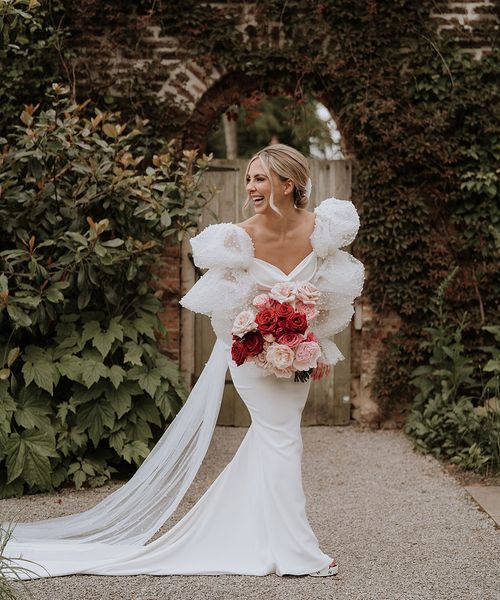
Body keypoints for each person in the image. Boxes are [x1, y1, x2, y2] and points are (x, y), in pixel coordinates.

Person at [4, 143, 364, 579]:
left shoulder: (322, 230)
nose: (250, 186)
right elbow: (228, 309)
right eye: (249, 178)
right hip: (250, 356)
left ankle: (259, 535)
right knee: (282, 439)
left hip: (298, 356)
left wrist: (317, 346)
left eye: (261, 178)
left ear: (288, 184)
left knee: (272, 441)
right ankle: (299, 551)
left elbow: (329, 293)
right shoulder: (238, 238)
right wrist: (262, 340)